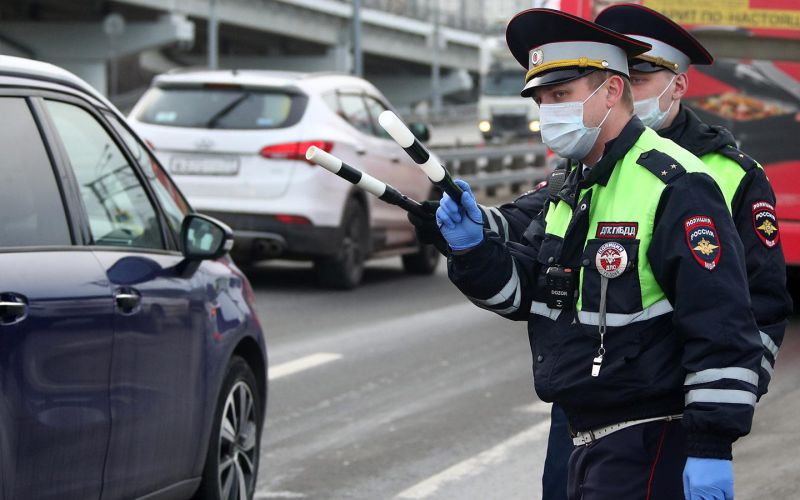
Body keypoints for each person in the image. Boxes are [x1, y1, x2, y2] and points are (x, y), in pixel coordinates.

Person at [433, 8, 763, 499]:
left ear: (611, 91)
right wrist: (473, 250)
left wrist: (711, 444)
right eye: (542, 99)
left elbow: (720, 322)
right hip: (585, 435)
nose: (549, 111)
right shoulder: (574, 183)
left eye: (561, 95)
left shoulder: (675, 183)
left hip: (649, 437)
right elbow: (531, 296)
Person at [594, 3, 792, 401]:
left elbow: (762, 304)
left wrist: (725, 400)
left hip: (673, 405)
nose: (624, 96)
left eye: (638, 80)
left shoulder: (735, 173)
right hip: (586, 401)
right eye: (616, 82)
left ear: (679, 88)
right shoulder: (589, 164)